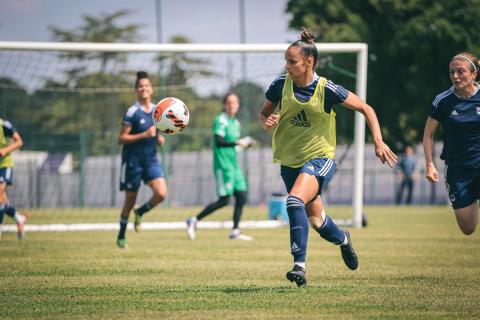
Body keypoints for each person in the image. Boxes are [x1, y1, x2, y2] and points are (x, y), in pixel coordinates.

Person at [259, 29, 397, 287]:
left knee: (293, 201)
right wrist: (267, 120)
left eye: (292, 61)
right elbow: (264, 113)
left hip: (320, 158)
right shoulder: (280, 85)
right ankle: (344, 239)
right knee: (317, 221)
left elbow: (367, 109)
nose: (287, 66)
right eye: (286, 61)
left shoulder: (327, 89)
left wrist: (378, 141)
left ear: (308, 62)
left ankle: (299, 266)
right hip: (290, 162)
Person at [423, 52, 480, 235]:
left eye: (460, 71)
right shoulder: (443, 101)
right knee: (468, 228)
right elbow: (428, 135)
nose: (455, 76)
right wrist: (430, 164)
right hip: (458, 169)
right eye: (452, 72)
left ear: (474, 74)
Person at [186, 93, 254, 241]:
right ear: (224, 105)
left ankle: (235, 231)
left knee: (241, 195)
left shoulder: (236, 123)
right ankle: (194, 220)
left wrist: (243, 145)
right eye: (229, 103)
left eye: (235, 103)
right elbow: (219, 141)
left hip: (234, 166)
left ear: (238, 105)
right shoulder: (220, 120)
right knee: (224, 200)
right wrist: (238, 143)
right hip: (223, 166)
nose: (232, 105)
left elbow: (233, 147)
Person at [116, 71, 167, 249]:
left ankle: (141, 211)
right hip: (133, 162)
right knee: (129, 201)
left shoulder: (157, 110)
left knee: (161, 193)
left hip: (151, 160)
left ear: (151, 89)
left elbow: (156, 134)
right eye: (140, 86)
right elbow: (121, 139)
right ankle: (121, 236)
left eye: (146, 85)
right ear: (136, 90)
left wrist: (158, 139)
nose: (143, 88)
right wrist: (143, 134)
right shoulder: (132, 112)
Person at [0, 118, 27, 240]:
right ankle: (19, 218)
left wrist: (5, 150)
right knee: (3, 200)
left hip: (5, 165)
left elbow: (19, 141)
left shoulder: (4, 125)